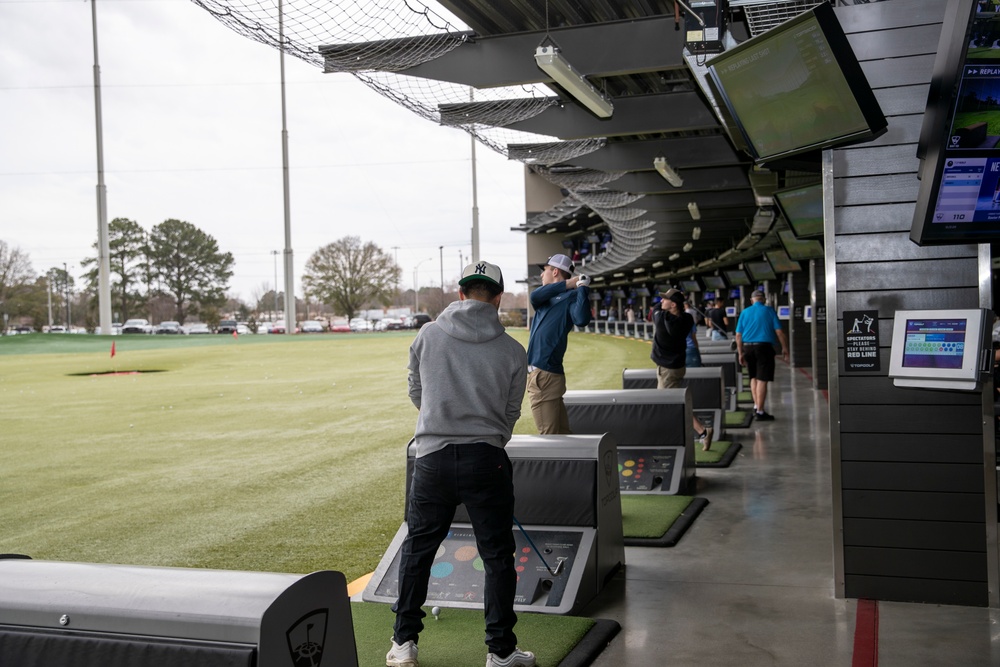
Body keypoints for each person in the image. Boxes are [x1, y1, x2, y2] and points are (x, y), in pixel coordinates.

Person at [388, 261, 534, 667]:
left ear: (461, 293)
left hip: (432, 459)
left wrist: (440, 419)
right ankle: (501, 651)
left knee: (419, 550)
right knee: (498, 557)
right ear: (499, 299)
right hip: (487, 460)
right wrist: (485, 433)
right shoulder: (512, 349)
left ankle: (404, 645)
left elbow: (417, 391)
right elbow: (510, 412)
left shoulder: (428, 335)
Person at [526, 253, 592, 434]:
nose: (541, 275)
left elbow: (581, 319)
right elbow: (535, 296)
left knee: (550, 437)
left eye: (544, 271)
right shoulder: (544, 297)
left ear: (555, 271)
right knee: (561, 435)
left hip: (544, 375)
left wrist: (582, 290)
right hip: (544, 375)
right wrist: (571, 283)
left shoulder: (571, 297)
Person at [651, 288, 713, 450]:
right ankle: (700, 432)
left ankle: (701, 431)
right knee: (673, 402)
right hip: (678, 366)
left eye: (665, 299)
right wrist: (674, 297)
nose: (662, 301)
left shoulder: (661, 317)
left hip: (667, 371)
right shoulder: (687, 318)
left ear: (673, 305)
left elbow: (656, 309)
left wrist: (671, 297)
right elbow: (667, 308)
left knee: (669, 404)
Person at [735, 290, 790, 422]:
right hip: (764, 348)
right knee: (762, 379)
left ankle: (756, 405)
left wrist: (740, 352)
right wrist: (785, 348)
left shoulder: (744, 312)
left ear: (751, 300)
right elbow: (780, 332)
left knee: (753, 377)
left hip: (748, 347)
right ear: (764, 300)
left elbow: (738, 335)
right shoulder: (769, 311)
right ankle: (760, 411)